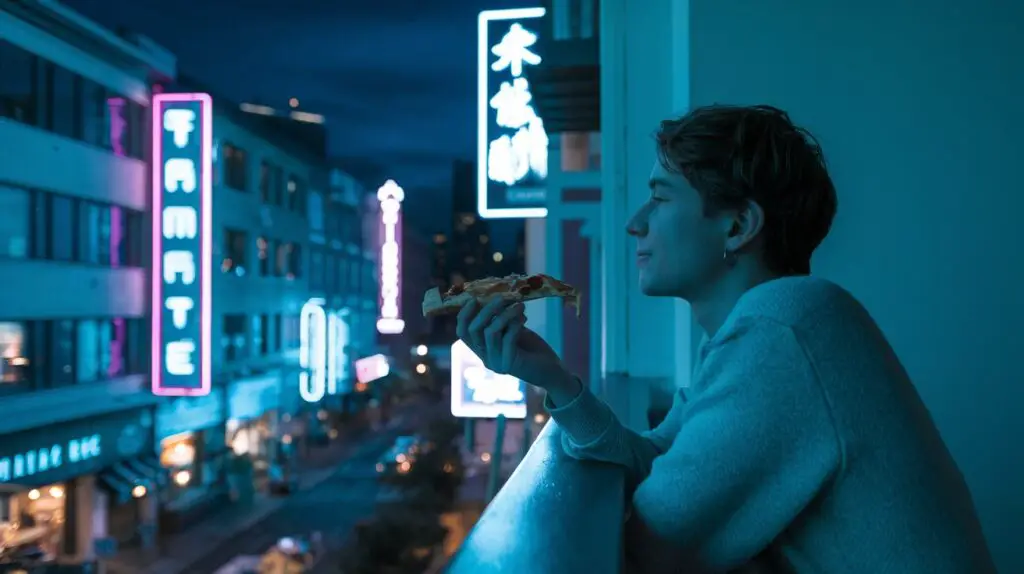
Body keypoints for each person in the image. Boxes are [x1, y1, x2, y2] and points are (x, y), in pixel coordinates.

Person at [456, 105, 997, 573]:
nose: (634, 224)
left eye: (661, 199)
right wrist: (557, 381)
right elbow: (655, 462)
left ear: (738, 228)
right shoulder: (765, 328)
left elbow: (654, 545)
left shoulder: (783, 329)